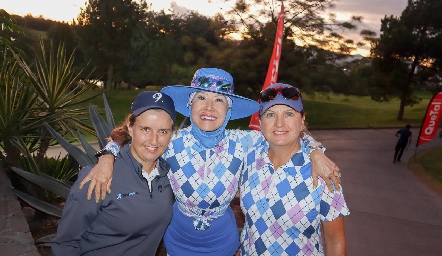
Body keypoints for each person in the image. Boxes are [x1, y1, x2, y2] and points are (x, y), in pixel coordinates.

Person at [81, 68, 341, 255]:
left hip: (224, 243)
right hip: (178, 240)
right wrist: (106, 157)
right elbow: (125, 135)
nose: (209, 107)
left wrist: (315, 150)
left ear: (228, 110)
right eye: (201, 98)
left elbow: (287, 133)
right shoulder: (171, 141)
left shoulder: (245, 143)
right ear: (190, 105)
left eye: (219, 100)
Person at [51, 91, 176, 255]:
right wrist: (106, 157)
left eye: (163, 131)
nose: (154, 140)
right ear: (130, 128)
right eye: (145, 129)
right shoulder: (97, 178)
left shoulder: (171, 175)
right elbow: (65, 244)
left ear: (172, 134)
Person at [240, 83, 349, 255]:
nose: (279, 123)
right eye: (270, 114)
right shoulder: (248, 158)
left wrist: (315, 151)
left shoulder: (323, 171)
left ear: (302, 120)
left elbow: (335, 242)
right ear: (260, 122)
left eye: (289, 114)